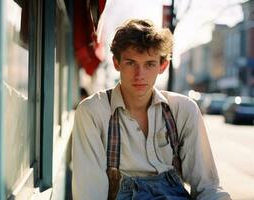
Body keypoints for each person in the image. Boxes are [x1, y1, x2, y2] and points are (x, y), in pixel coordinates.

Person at [71, 19, 231, 200]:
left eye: (149, 64)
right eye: (131, 63)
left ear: (162, 65)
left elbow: (207, 186)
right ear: (117, 63)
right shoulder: (93, 112)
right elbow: (90, 194)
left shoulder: (183, 110)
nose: (140, 75)